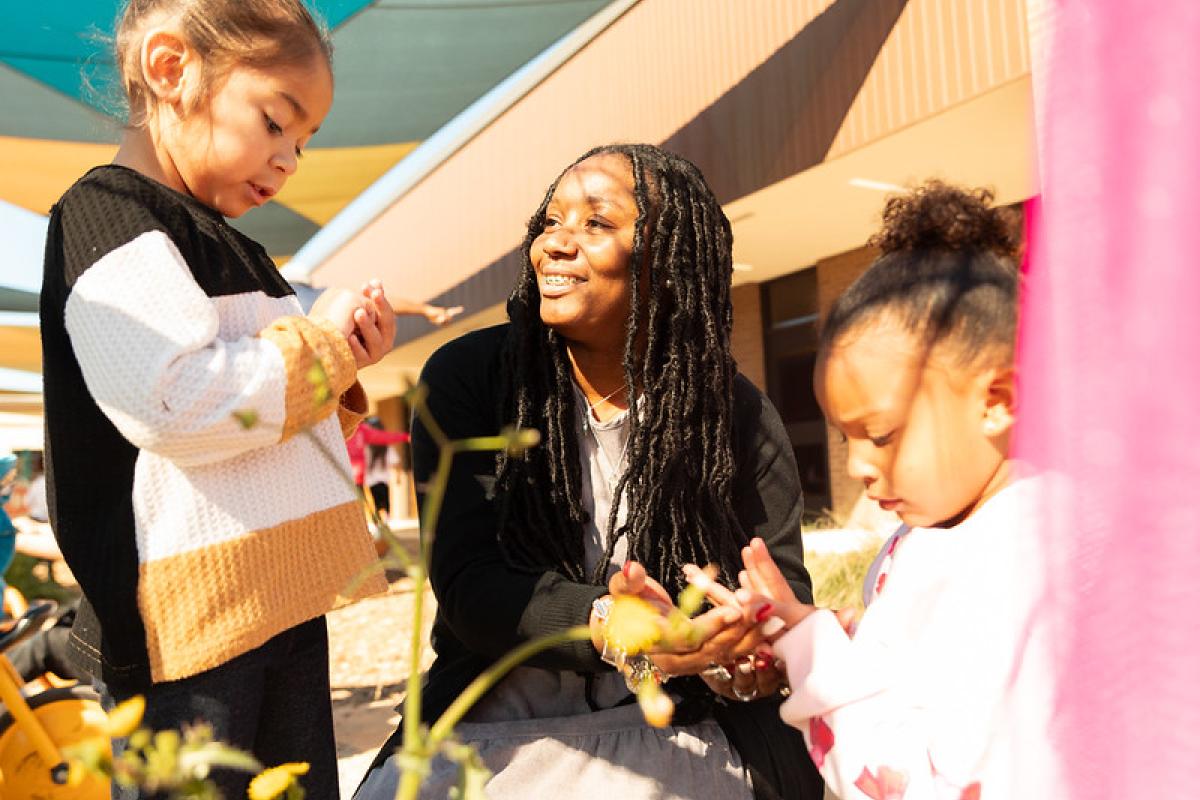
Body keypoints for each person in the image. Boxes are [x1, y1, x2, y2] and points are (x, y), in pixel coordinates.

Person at [357, 144, 823, 799]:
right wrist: (616, 627)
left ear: (667, 264)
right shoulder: (473, 381)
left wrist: (741, 658)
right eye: (550, 222)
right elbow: (471, 589)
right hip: (500, 729)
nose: (556, 244)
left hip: (684, 724)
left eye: (596, 224)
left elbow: (776, 602)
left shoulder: (737, 417)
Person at [38, 2, 403, 796]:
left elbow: (258, 421)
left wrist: (339, 372)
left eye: (303, 143)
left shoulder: (230, 242)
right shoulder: (112, 217)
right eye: (276, 123)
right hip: (187, 639)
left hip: (275, 601)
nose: (290, 160)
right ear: (171, 69)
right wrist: (324, 345)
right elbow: (177, 404)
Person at [697, 182, 1056, 798]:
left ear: (998, 401)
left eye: (881, 435)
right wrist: (803, 632)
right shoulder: (929, 535)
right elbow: (906, 683)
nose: (860, 466)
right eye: (845, 439)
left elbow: (927, 773)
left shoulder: (1029, 556)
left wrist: (813, 648)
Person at [345, 415, 408, 515]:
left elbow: (382, 437)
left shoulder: (363, 432)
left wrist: (404, 437)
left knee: (365, 504)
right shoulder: (355, 433)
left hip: (362, 478)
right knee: (380, 503)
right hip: (356, 476)